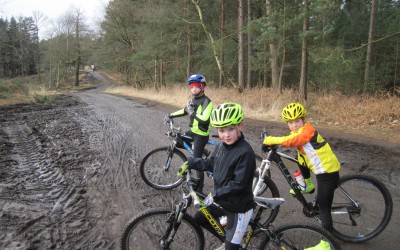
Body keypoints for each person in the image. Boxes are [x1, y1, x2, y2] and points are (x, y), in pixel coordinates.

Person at [262, 102, 340, 250]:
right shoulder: (299, 131)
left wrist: (270, 139)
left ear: (303, 120)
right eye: (290, 122)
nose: (294, 125)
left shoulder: (307, 131)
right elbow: (291, 139)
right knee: (300, 157)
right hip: (320, 170)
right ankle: (307, 185)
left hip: (327, 173)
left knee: (324, 209)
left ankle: (326, 245)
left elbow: (292, 141)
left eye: (297, 121)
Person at [179, 102, 256, 250]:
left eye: (231, 129)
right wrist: (191, 162)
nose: (226, 135)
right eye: (221, 130)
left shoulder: (245, 152)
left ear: (240, 126)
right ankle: (229, 241)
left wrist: (215, 194)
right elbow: (211, 164)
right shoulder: (221, 145)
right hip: (224, 200)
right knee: (200, 217)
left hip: (238, 207)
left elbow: (239, 184)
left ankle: (232, 244)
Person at [165, 74, 213, 194]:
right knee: (178, 139)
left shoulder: (207, 101)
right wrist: (170, 115)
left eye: (196, 86)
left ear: (202, 87)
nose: (193, 89)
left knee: (196, 162)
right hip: (193, 132)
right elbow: (184, 111)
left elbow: (205, 119)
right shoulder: (193, 100)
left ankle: (200, 189)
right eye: (191, 87)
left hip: (201, 134)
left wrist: (192, 113)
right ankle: (203, 152)